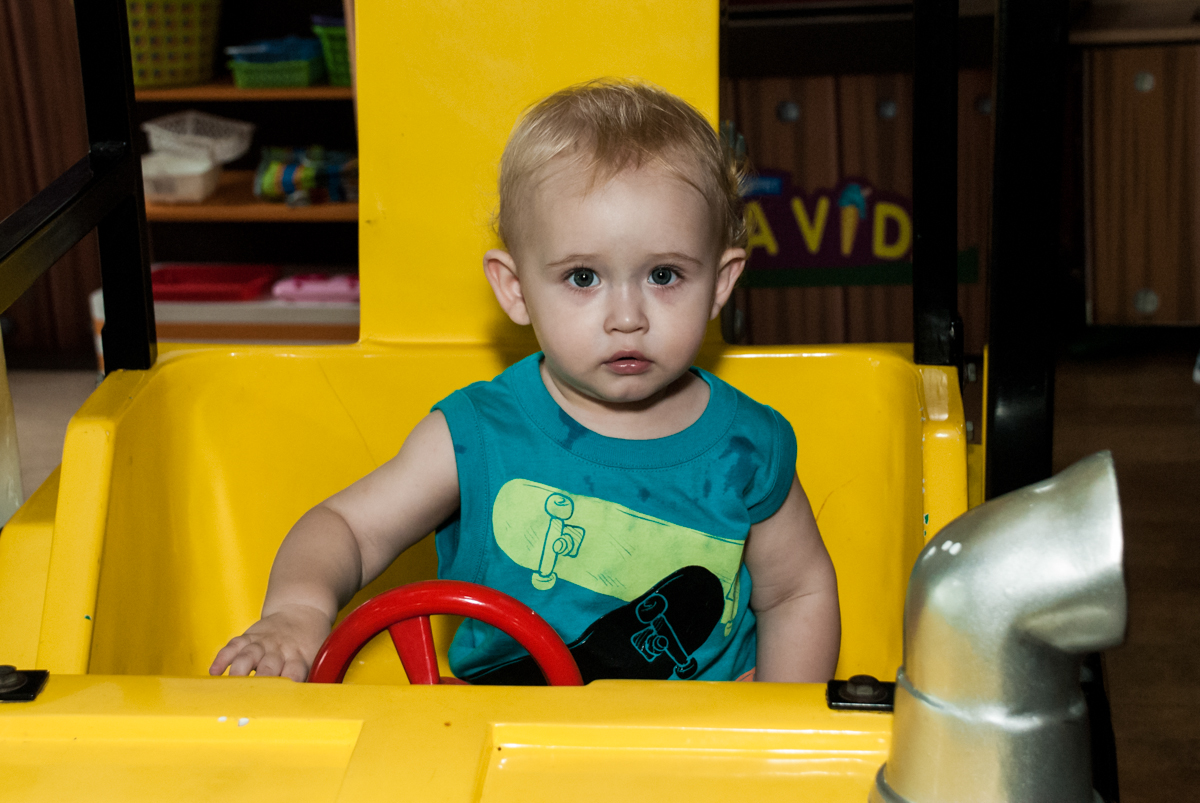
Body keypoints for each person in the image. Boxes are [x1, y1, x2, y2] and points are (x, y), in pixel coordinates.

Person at [210, 79, 840, 684]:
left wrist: (784, 731)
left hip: (692, 749)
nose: (627, 318)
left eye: (665, 276)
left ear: (721, 285)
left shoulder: (749, 447)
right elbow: (346, 528)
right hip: (506, 744)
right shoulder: (478, 435)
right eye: (583, 278)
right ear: (515, 289)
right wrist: (296, 610)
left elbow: (796, 592)